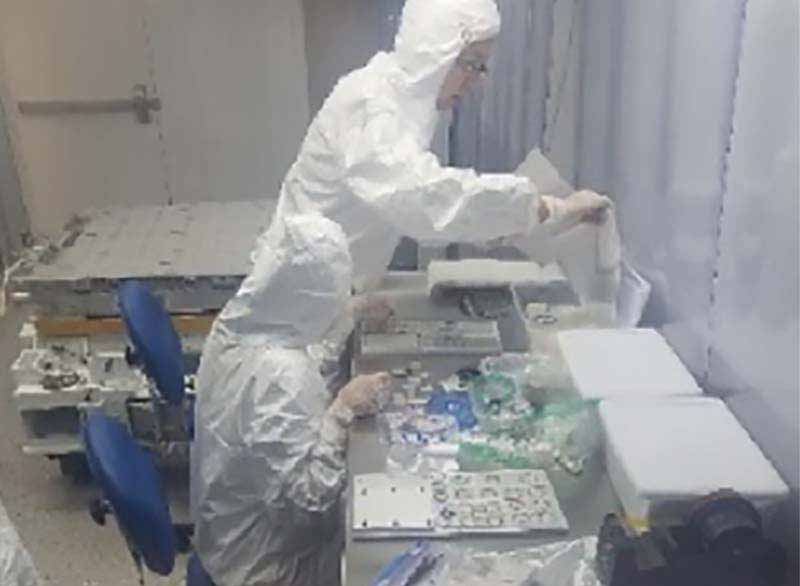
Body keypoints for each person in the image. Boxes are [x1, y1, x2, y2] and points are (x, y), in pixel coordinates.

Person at [261, 0, 611, 293]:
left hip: (331, 291)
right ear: (434, 52)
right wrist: (546, 207)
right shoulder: (372, 105)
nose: (477, 81)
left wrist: (517, 221)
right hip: (298, 300)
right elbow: (426, 200)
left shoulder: (410, 105)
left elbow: (434, 207)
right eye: (472, 64)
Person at [191, 214, 392, 586]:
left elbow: (295, 350)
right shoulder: (281, 377)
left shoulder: (236, 324)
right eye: (333, 297)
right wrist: (341, 412)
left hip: (224, 536)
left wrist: (346, 316)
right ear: (310, 301)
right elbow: (309, 508)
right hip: (267, 566)